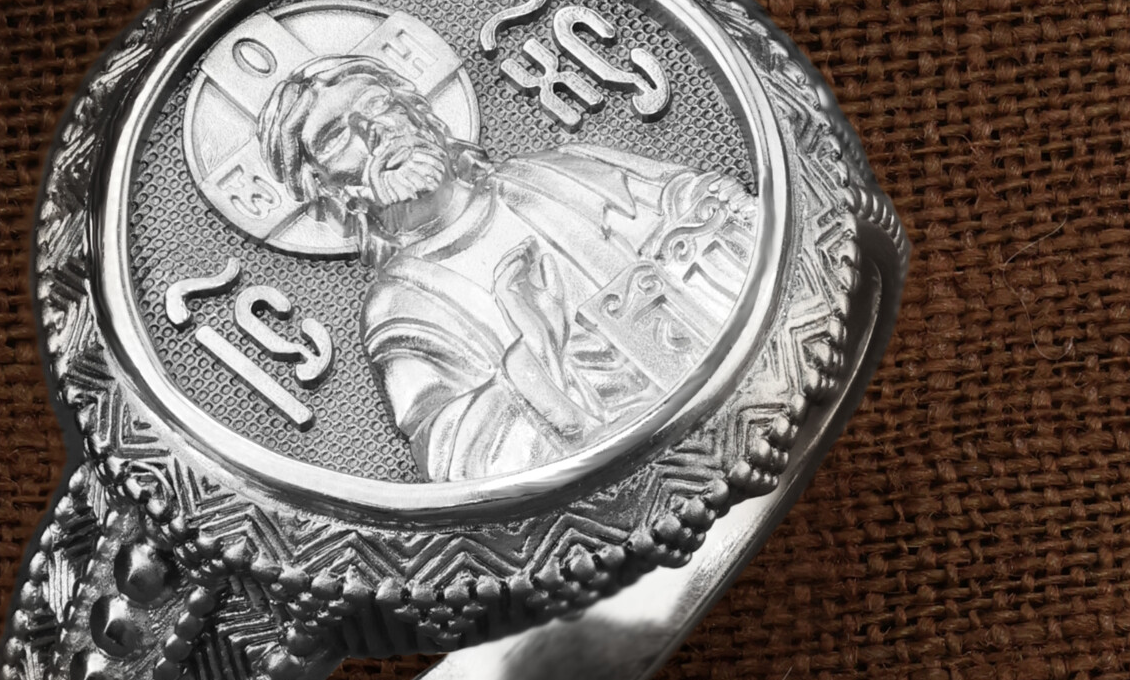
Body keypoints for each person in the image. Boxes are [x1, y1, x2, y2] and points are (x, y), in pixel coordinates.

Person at [256, 53, 757, 482]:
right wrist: (535, 348)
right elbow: (461, 460)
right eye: (335, 137)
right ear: (328, 190)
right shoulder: (403, 306)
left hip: (746, 369)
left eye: (377, 104)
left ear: (416, 112)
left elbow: (690, 199)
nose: (373, 132)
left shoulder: (550, 172)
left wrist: (716, 209)